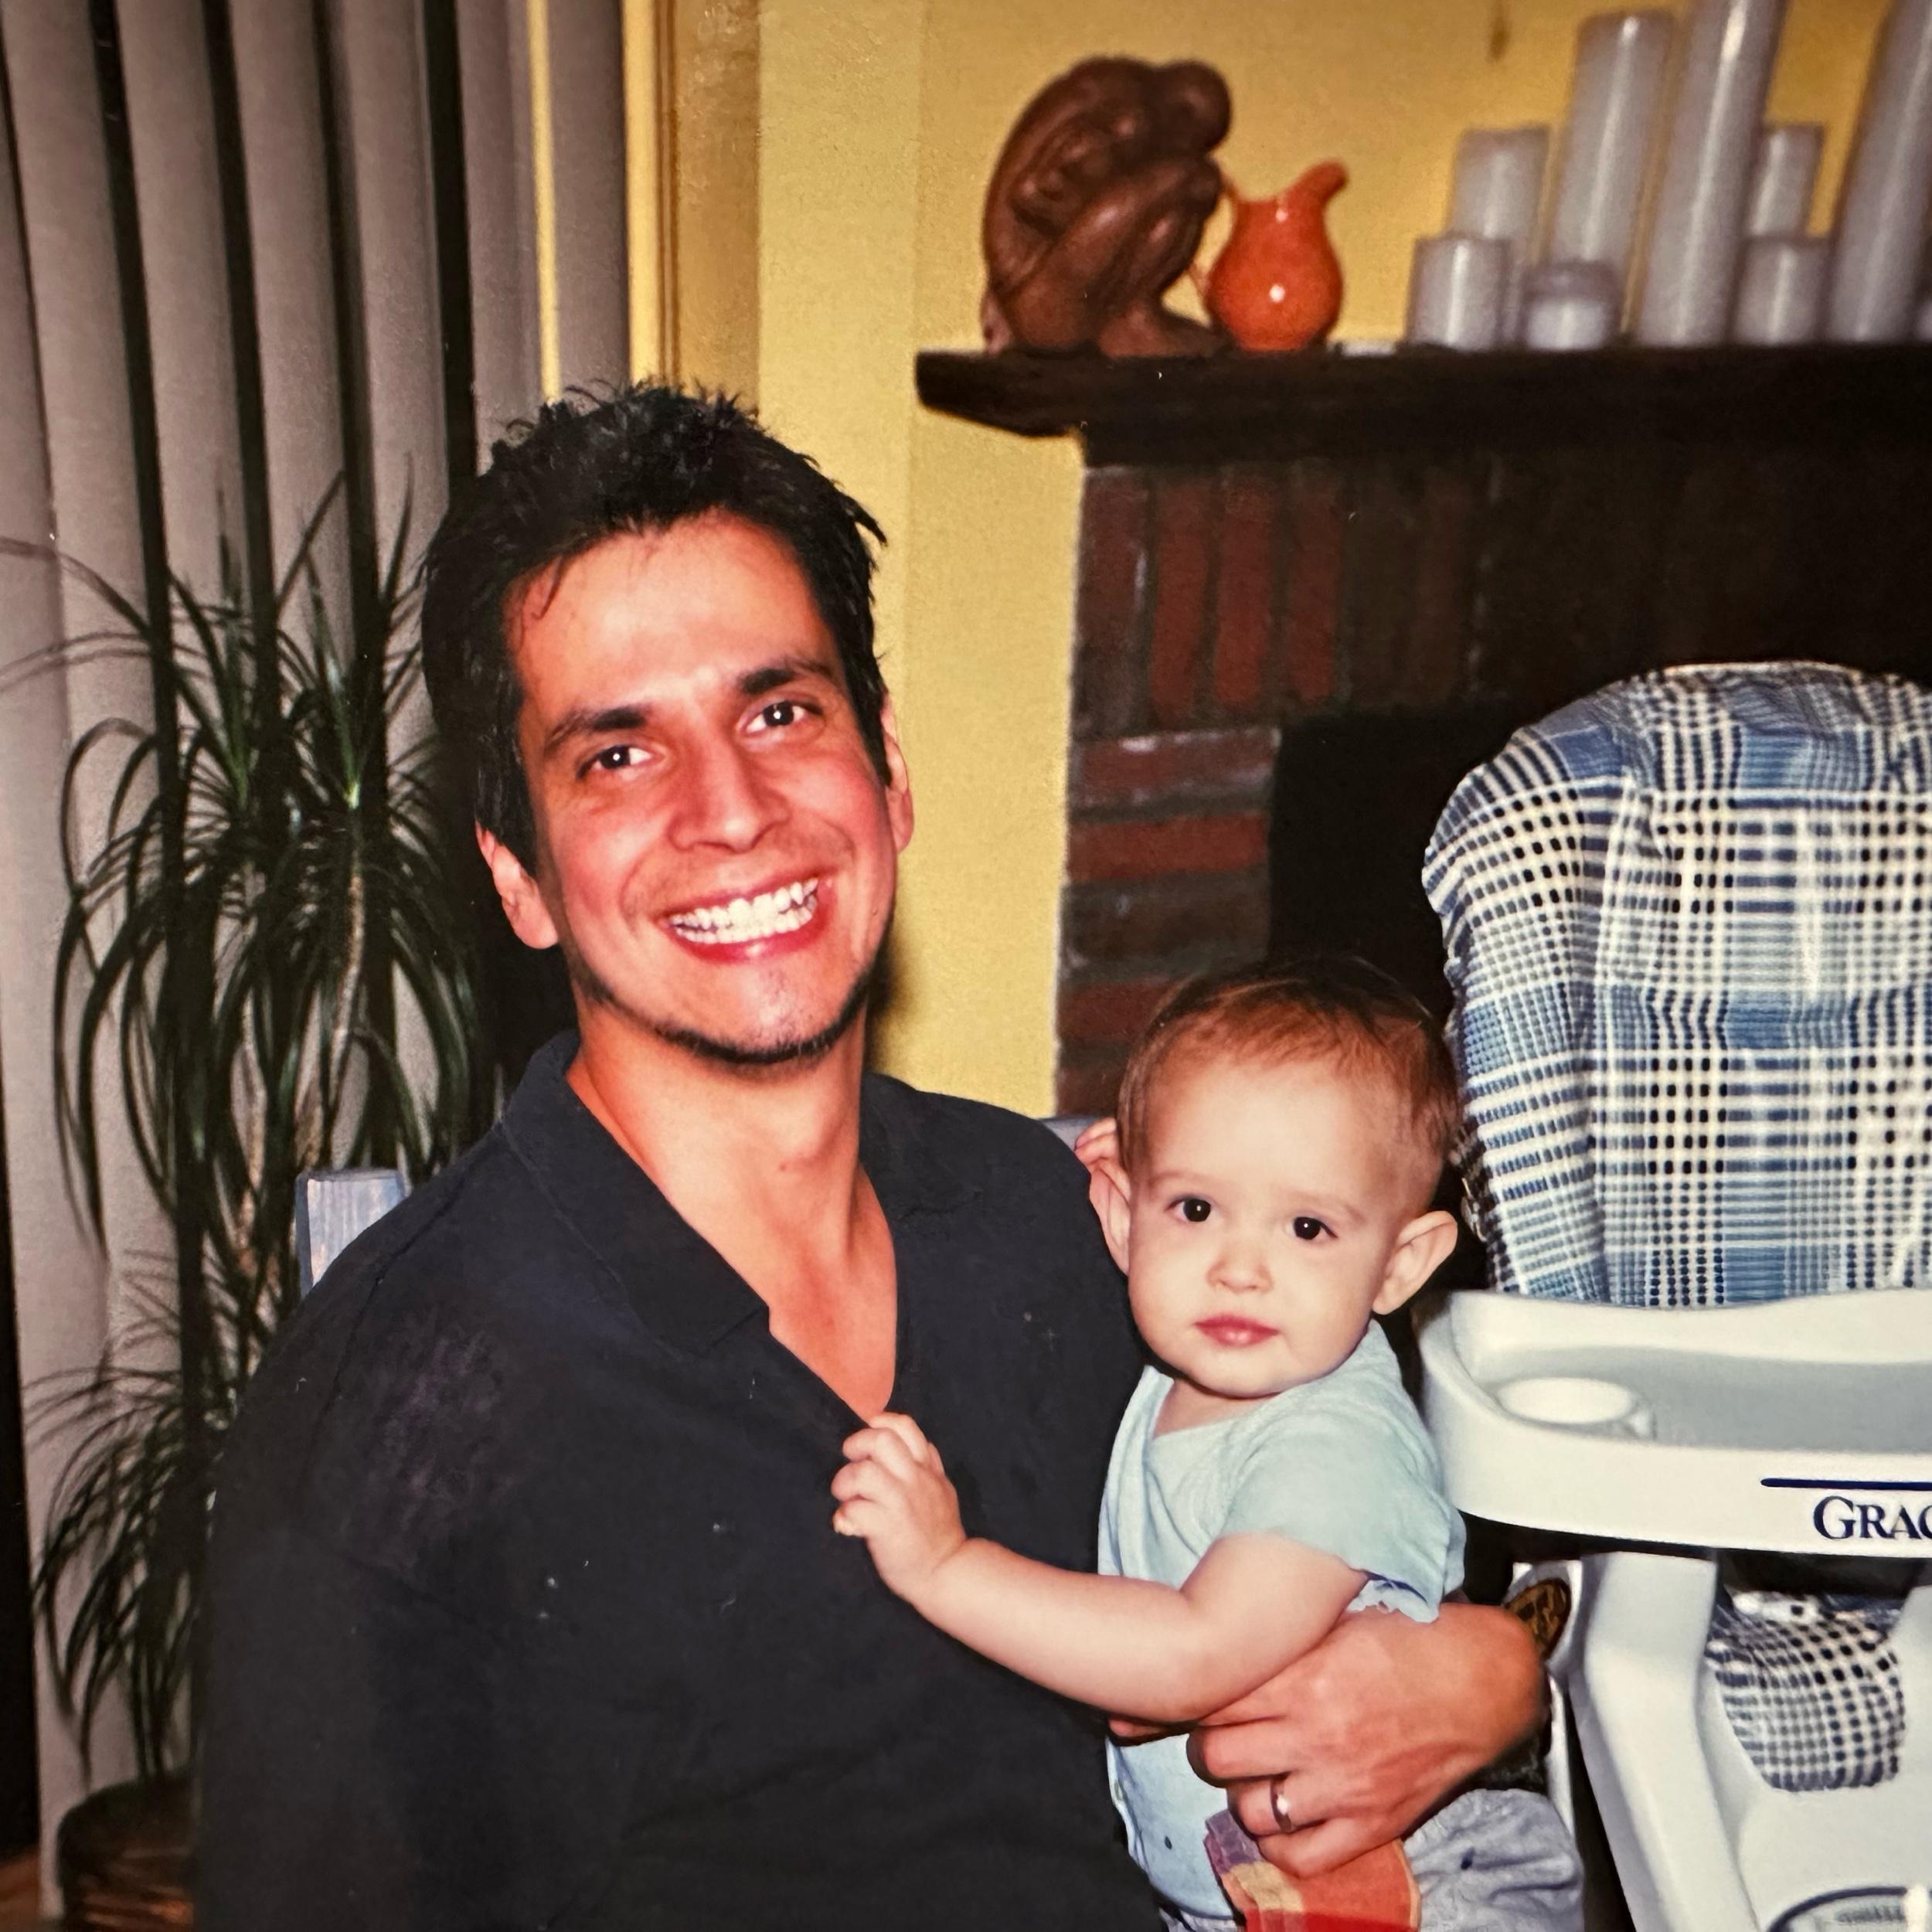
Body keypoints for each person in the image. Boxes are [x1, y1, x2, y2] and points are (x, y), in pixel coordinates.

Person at [196, 386, 1543, 1930]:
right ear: (519, 878)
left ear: (886, 769)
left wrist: (1496, 1671)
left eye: (779, 713)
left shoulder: (1079, 1226)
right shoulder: (395, 1427)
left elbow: (1346, 1517)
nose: (732, 811)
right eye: (618, 755)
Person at [835, 961, 1581, 1930]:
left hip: (1428, 1884)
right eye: (1196, 1210)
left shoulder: (1336, 1441)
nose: (1239, 1268)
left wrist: (946, 1566)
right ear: (1123, 1213)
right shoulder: (1185, 1375)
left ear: (1399, 1265)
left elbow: (1197, 1654)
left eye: (1307, 1227)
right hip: (1241, 1897)